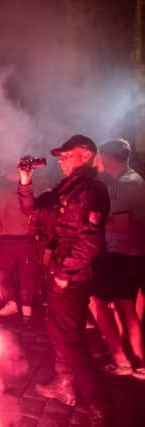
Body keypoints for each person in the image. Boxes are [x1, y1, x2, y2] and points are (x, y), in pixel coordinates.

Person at [19, 135, 109, 425]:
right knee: (57, 333)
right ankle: (64, 385)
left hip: (70, 279)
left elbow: (90, 244)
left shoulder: (90, 191)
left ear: (85, 155)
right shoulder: (66, 188)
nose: (60, 159)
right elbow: (31, 209)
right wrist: (25, 180)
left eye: (66, 155)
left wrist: (64, 276)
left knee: (72, 341)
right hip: (56, 272)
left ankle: (102, 407)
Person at [89, 139, 145, 380]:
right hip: (132, 255)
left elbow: (121, 225)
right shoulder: (129, 181)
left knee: (97, 301)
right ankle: (139, 363)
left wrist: (93, 220)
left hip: (122, 255)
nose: (97, 161)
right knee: (126, 306)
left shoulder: (125, 184)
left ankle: (121, 359)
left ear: (108, 157)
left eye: (99, 156)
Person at [0, 167, 42, 318]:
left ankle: (10, 302)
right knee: (27, 274)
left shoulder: (5, 191)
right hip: (30, 238)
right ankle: (27, 308)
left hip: (10, 239)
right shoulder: (36, 189)